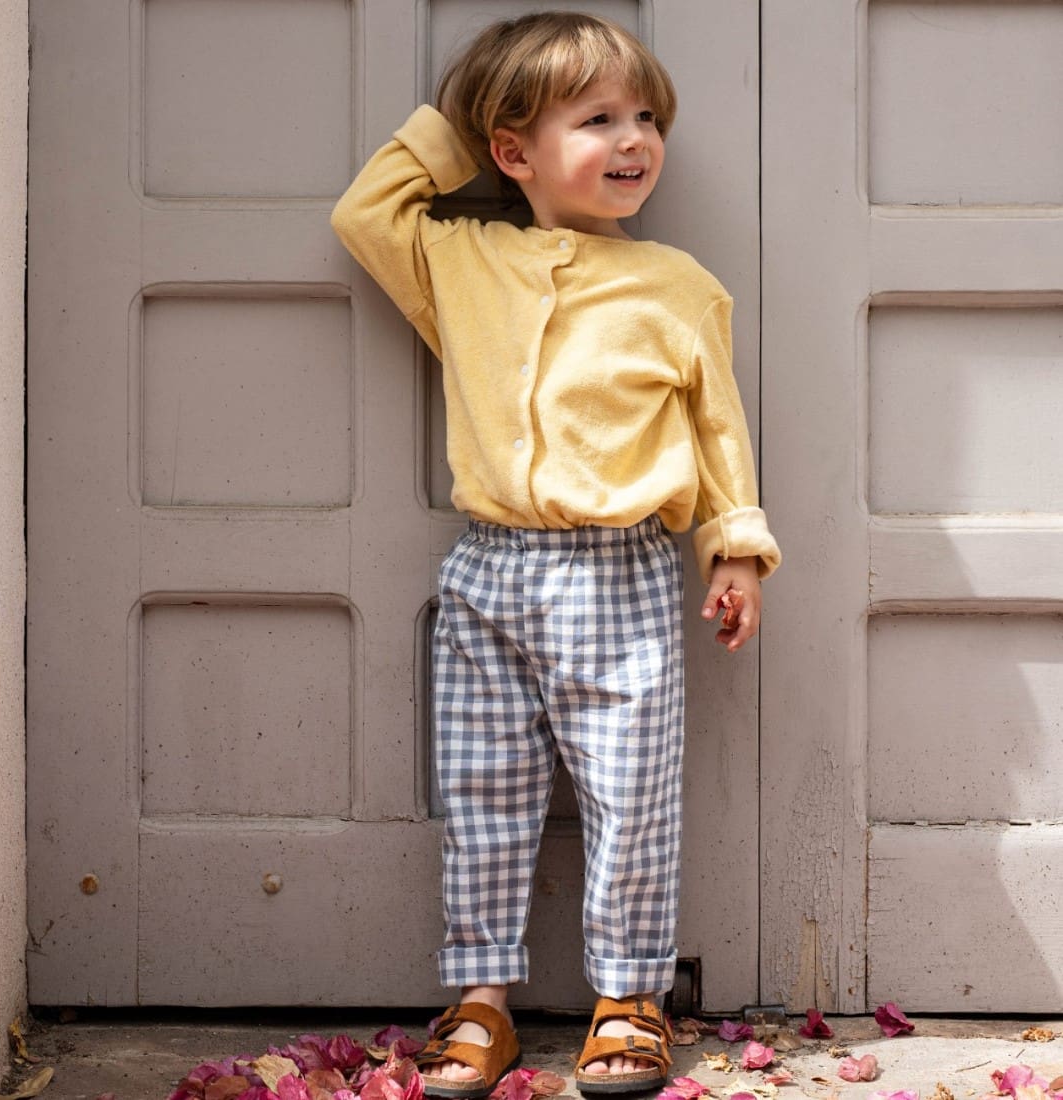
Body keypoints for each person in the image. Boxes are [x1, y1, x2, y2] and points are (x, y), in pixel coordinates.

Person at [331, 12, 781, 1098]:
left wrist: (736, 549)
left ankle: (626, 996)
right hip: (490, 570)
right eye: (596, 119)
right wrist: (465, 111)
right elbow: (364, 210)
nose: (633, 140)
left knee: (632, 796)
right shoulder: (460, 258)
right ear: (511, 150)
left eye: (645, 118)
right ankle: (478, 997)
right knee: (480, 791)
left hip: (619, 572)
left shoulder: (676, 286)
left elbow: (718, 431)